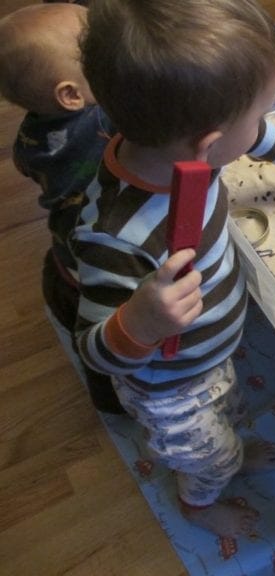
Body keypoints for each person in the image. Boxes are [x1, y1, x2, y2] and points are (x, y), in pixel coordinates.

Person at [74, 0, 275, 537]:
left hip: (211, 353)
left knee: (226, 416)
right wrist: (138, 322)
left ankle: (223, 451)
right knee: (206, 459)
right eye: (258, 112)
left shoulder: (181, 146)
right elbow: (93, 350)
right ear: (210, 143)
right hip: (169, 388)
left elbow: (257, 137)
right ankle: (200, 502)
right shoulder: (117, 236)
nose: (261, 127)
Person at [0, 3, 123, 413]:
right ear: (71, 94)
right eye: (99, 51)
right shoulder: (106, 118)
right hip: (100, 280)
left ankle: (105, 396)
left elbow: (24, 164)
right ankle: (113, 404)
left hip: (62, 264)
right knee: (107, 351)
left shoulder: (31, 137)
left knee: (84, 339)